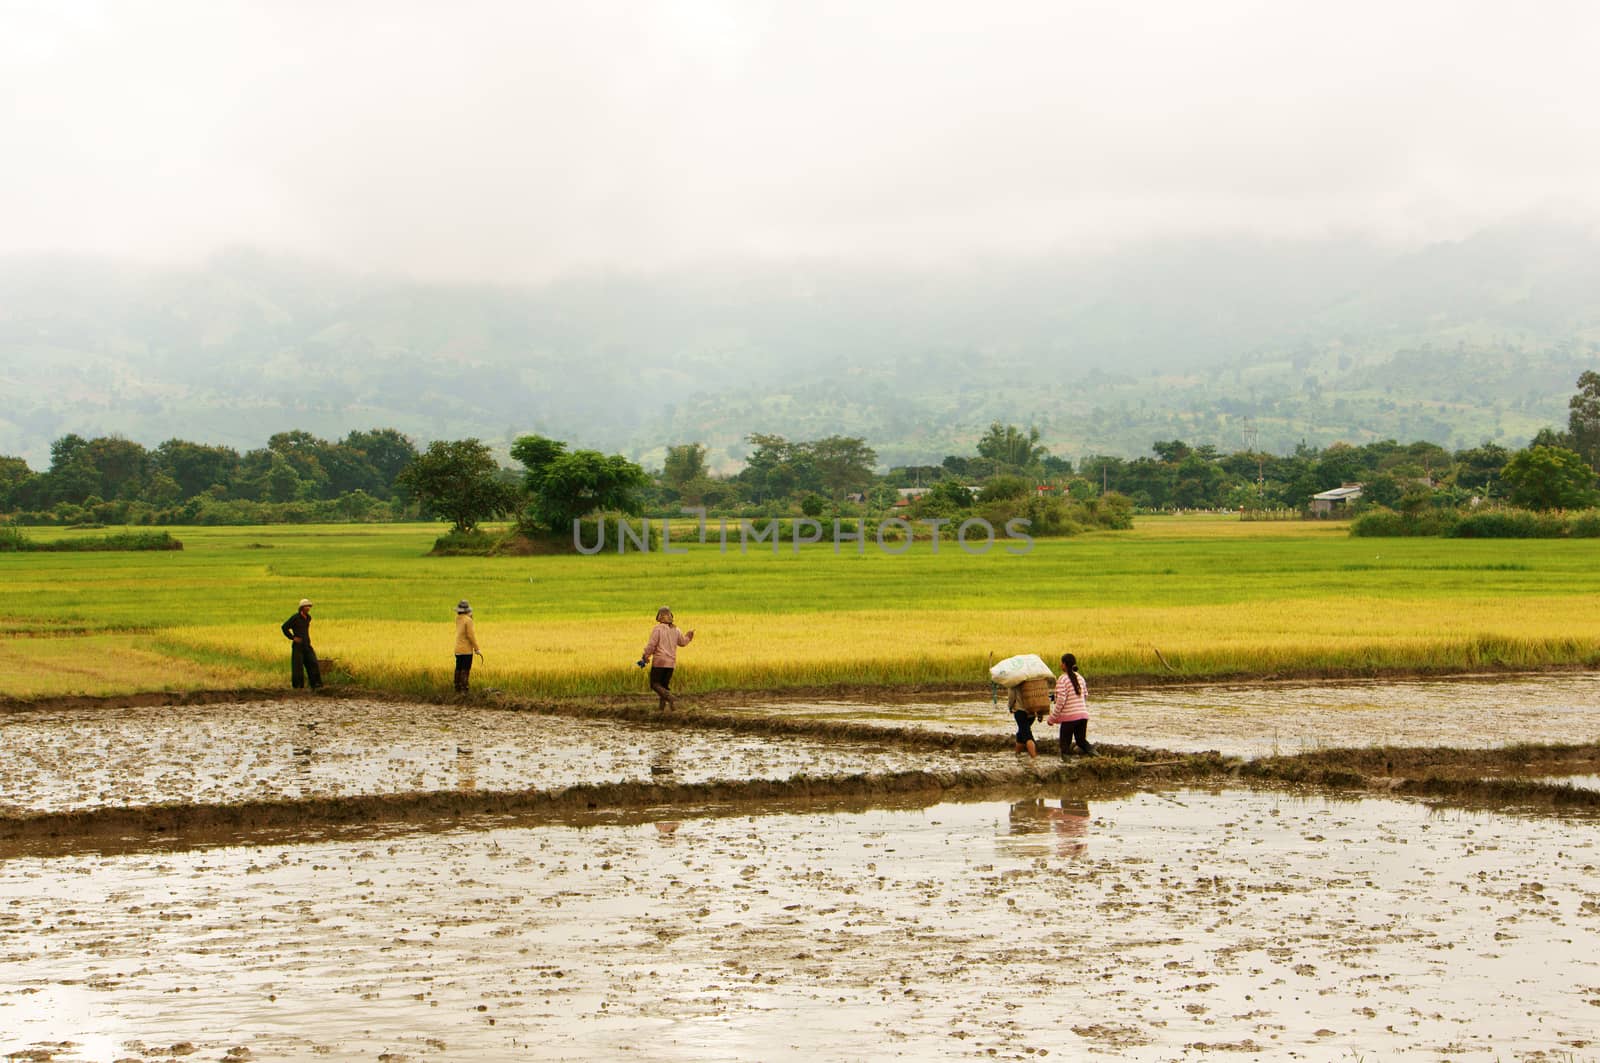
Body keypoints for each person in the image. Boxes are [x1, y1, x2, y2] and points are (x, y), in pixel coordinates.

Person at [638, 606, 694, 709]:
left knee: (654, 684)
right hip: (671, 664)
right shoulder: (676, 629)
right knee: (663, 686)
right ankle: (663, 709)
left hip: (659, 662)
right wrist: (689, 636)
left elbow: (652, 645)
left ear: (659, 617)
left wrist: (645, 656)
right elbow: (682, 642)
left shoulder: (657, 629)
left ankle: (670, 698)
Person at [1048, 652, 1093, 756]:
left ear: (1064, 664)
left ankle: (1066, 767)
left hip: (1069, 718)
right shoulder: (1080, 678)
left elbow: (1061, 700)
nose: (1060, 665)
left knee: (1064, 746)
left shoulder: (1062, 679)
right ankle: (1100, 758)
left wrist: (1052, 718)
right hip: (1083, 715)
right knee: (1081, 742)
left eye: (1061, 663)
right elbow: (1085, 695)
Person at [280, 598, 322, 690]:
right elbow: (284, 627)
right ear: (301, 608)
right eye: (306, 606)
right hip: (298, 646)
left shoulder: (308, 618)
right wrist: (293, 637)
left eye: (309, 606)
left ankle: (316, 685)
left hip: (307, 644)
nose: (308, 608)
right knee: (297, 667)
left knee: (313, 663)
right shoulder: (295, 618)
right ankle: (298, 687)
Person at [454, 599, 483, 694]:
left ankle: (457, 688)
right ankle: (464, 690)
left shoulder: (457, 618)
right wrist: (477, 649)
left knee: (458, 668)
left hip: (458, 649)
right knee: (465, 669)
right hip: (466, 650)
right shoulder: (468, 620)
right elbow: (470, 635)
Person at [1006, 684, 1038, 759]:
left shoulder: (1014, 681)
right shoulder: (1032, 679)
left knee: (1027, 735)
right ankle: (1017, 754)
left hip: (1020, 711)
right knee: (1021, 732)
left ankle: (1034, 758)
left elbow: (1011, 697)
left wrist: (1010, 707)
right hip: (1032, 711)